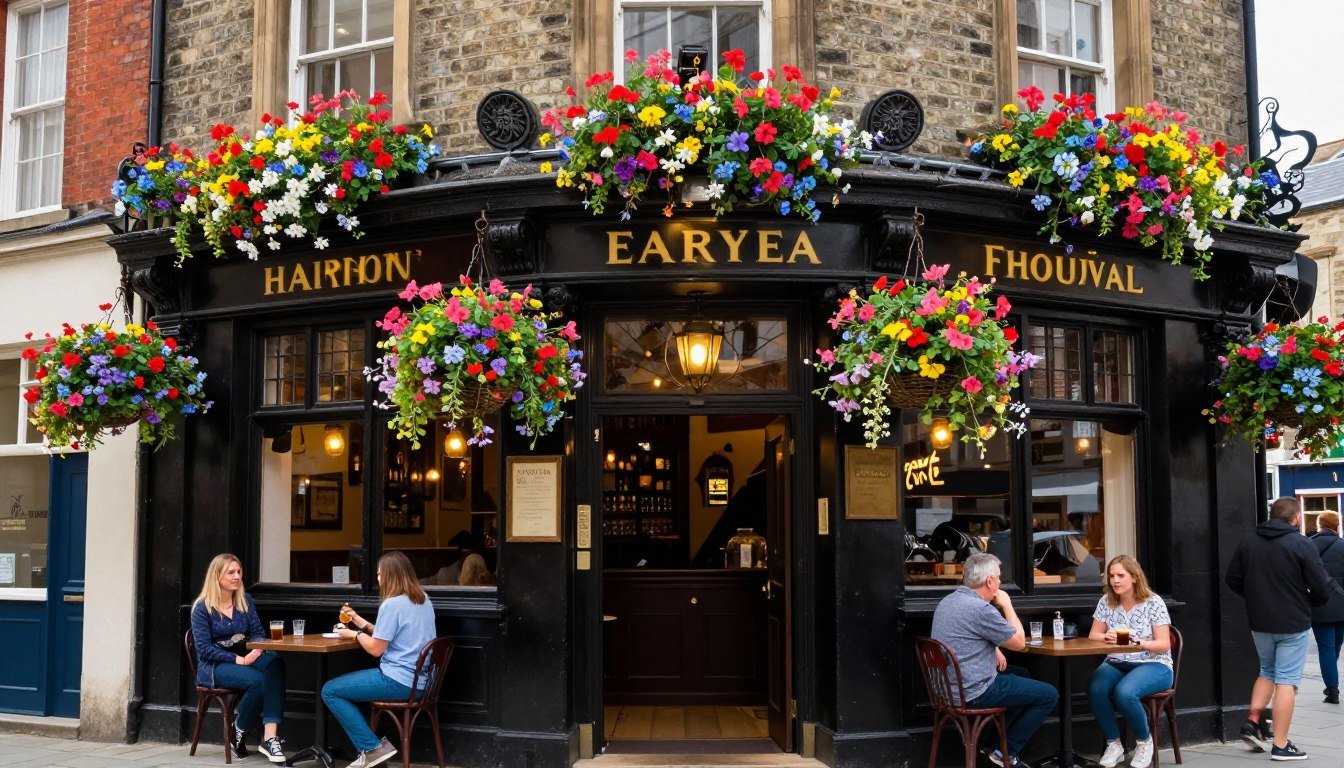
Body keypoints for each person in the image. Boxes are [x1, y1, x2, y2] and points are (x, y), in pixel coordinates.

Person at [1225, 497, 1344, 760]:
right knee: (1286, 681)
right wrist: (1307, 602)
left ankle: (1253, 721)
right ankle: (1280, 744)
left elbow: (1232, 579)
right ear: (1296, 517)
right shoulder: (1301, 543)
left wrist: (1256, 597)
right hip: (1292, 622)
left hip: (1260, 620)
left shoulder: (1248, 541)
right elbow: (1322, 587)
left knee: (1266, 670)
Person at [932, 553, 1058, 768]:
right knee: (1049, 694)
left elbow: (966, 636)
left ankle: (992, 746)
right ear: (989, 581)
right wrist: (1007, 605)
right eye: (999, 578)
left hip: (947, 689)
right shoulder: (981, 609)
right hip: (975, 691)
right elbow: (1019, 643)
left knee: (1022, 675)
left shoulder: (948, 601)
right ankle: (1003, 753)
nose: (1000, 583)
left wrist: (994, 647)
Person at [322, 551, 438, 768]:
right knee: (334, 689)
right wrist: (357, 620)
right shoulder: (422, 599)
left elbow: (376, 649)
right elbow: (388, 634)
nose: (377, 578)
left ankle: (371, 749)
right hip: (422, 684)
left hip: (398, 681)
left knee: (330, 690)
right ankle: (372, 751)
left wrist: (352, 634)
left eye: (379, 574)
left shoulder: (392, 604)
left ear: (389, 575)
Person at [189, 553, 288, 763]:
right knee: (257, 681)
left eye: (239, 572)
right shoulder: (202, 608)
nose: (237, 577)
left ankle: (270, 737)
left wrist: (256, 651)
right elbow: (204, 649)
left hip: (246, 655)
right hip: (215, 666)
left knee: (274, 662)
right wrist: (237, 659)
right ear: (216, 576)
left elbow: (258, 632)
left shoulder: (244, 600)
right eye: (231, 572)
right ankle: (239, 730)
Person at [1086, 556, 1173, 768]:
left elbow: (1164, 644)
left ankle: (1144, 742)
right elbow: (1093, 635)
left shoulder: (1153, 602)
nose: (1115, 580)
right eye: (1112, 576)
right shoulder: (1107, 600)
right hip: (1117, 662)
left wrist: (1141, 643)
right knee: (1095, 687)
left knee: (1124, 692)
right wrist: (1106, 637)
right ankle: (1114, 744)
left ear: (1134, 577)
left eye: (1120, 576)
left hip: (1153, 664)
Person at [1309, 510, 1344, 704]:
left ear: (1320, 524)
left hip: (1319, 605)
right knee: (1335, 645)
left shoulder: (1310, 545)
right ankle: (1332, 678)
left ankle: (1332, 690)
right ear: (1337, 525)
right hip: (1342, 605)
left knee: (1326, 648)